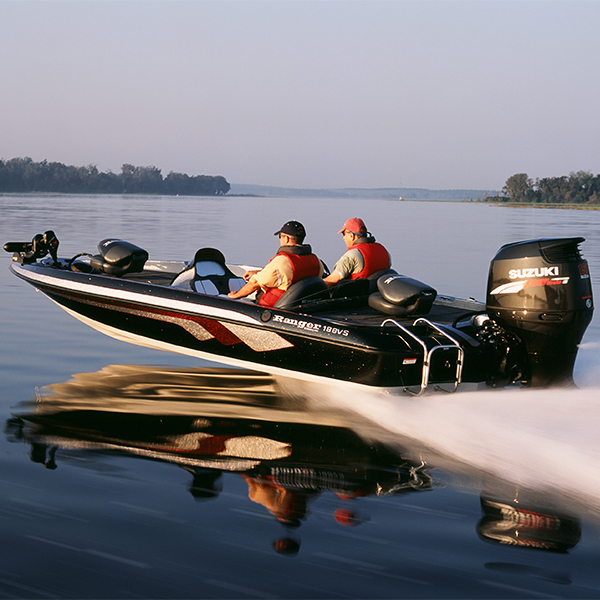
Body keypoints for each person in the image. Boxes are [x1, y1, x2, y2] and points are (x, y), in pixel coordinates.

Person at [228, 220, 323, 307]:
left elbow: (254, 284)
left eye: (280, 236)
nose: (280, 240)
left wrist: (235, 296)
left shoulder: (282, 262)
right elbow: (286, 275)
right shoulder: (316, 261)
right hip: (300, 306)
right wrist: (259, 272)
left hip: (272, 309)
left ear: (286, 239)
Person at [323, 217, 391, 288]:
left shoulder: (352, 254)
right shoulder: (384, 251)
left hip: (357, 296)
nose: (343, 238)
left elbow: (332, 281)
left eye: (344, 234)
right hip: (375, 294)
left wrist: (315, 285)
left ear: (351, 236)